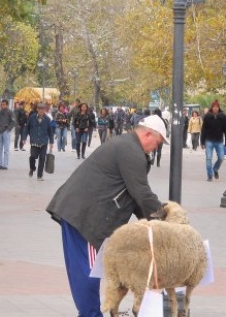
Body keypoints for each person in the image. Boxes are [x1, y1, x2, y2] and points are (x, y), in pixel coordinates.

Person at [46, 115, 167, 317]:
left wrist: (152, 222)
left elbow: (134, 196)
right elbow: (142, 193)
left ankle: (89, 313)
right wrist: (165, 218)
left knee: (83, 271)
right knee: (89, 272)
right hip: (86, 217)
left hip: (79, 212)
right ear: (148, 134)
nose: (157, 148)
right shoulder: (131, 150)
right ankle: (91, 314)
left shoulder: (127, 145)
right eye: (158, 143)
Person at [22, 103, 54, 181]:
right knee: (33, 157)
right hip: (34, 141)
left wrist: (51, 142)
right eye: (39, 109)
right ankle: (32, 168)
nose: (41, 110)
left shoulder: (47, 119)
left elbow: (50, 131)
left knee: (42, 159)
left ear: (44, 110)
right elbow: (27, 128)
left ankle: (39, 175)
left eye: (42, 109)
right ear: (37, 109)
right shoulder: (32, 117)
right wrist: (24, 138)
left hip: (43, 142)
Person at [200, 100, 226, 181]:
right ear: (212, 108)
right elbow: (204, 130)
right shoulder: (207, 117)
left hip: (219, 140)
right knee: (208, 158)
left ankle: (215, 169)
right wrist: (202, 142)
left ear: (219, 108)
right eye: (214, 107)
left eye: (217, 107)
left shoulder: (222, 117)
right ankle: (210, 175)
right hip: (209, 140)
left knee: (221, 157)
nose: (215, 108)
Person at [0, 100, 15, 170]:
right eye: (1, 104)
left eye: (4, 104)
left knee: (6, 149)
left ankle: (5, 165)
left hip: (6, 132)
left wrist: (8, 129)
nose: (2, 106)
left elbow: (13, 121)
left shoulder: (10, 112)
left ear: (7, 105)